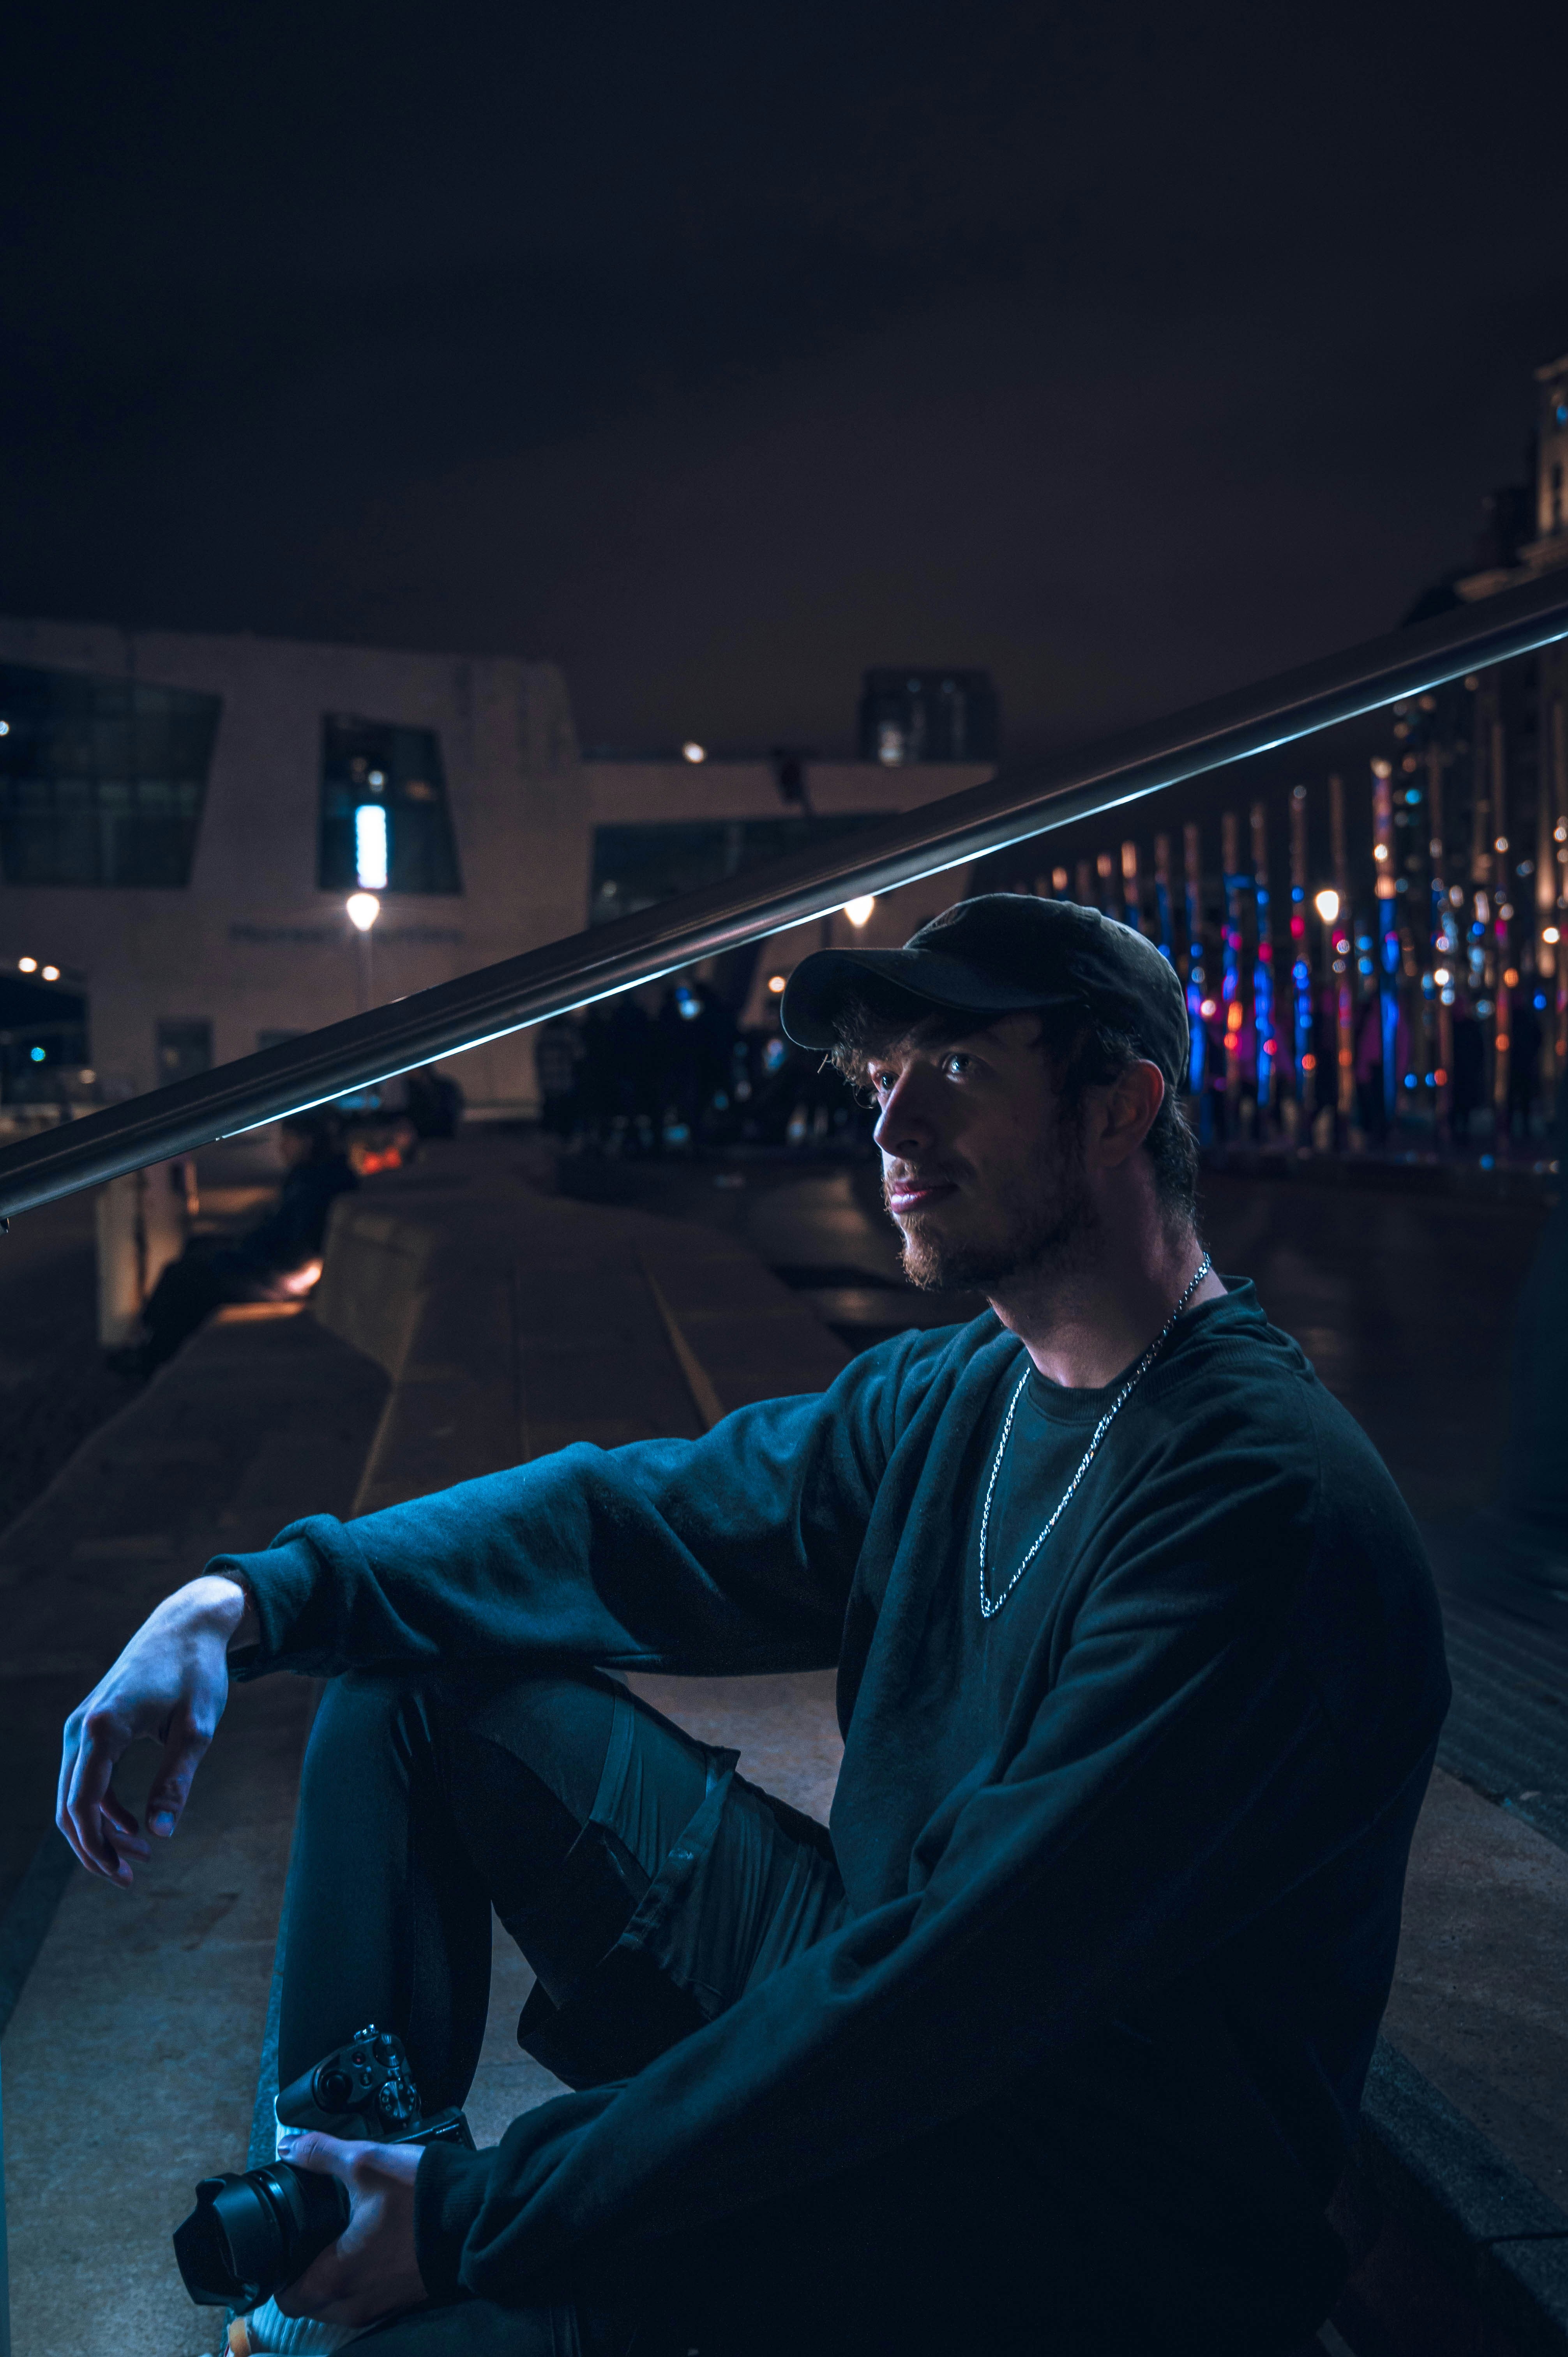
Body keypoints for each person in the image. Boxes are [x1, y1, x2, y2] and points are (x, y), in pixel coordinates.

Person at [57, 896, 1448, 2356]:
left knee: (439, 2333)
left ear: (1119, 1104)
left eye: (956, 1071)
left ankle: (377, 2259)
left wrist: (474, 2210)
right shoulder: (960, 1395)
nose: (891, 1126)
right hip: (895, 2025)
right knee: (405, 1688)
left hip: (1070, 2221)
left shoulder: (1255, 1510)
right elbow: (629, 1516)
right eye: (878, 1079)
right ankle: (325, 2228)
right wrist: (240, 1599)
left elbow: (939, 1997)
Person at [133, 1112, 358, 1373]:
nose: (281, 1147)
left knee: (185, 1278)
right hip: (275, 1266)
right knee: (197, 1250)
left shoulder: (315, 1183)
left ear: (308, 1142)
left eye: (288, 1139)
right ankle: (153, 1342)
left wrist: (240, 1253)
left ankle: (154, 1354)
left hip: (280, 1278)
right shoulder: (313, 1176)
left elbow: (294, 1246)